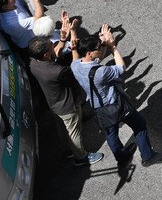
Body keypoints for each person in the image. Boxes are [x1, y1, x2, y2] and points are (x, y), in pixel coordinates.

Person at [72, 25, 162, 169]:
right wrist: (112, 47)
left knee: (111, 133)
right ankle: (148, 157)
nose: (100, 49)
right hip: (116, 105)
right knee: (139, 124)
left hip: (99, 108)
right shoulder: (102, 72)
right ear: (89, 53)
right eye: (98, 48)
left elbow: (95, 60)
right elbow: (121, 68)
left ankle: (122, 158)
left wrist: (103, 43)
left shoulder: (75, 66)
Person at [28, 25, 105, 166]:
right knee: (74, 132)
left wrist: (63, 40)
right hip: (67, 106)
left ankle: (69, 150)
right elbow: (75, 67)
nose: (54, 46)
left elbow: (55, 55)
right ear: (46, 55)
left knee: (62, 129)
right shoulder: (56, 72)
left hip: (53, 103)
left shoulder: (33, 63)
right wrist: (74, 49)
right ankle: (81, 157)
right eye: (51, 47)